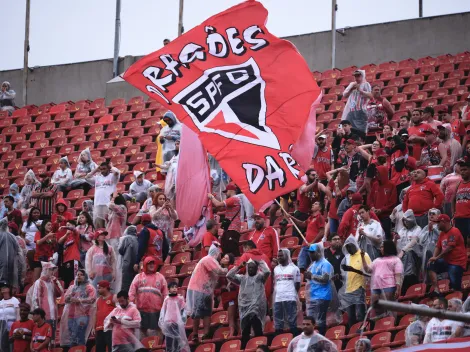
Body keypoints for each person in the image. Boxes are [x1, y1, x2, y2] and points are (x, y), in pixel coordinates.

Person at [186, 244, 227, 342]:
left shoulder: (212, 261)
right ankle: (195, 334)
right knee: (197, 312)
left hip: (206, 291)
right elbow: (218, 271)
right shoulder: (208, 260)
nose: (220, 256)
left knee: (207, 313)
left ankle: (206, 334)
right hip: (199, 289)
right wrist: (227, 268)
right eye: (220, 253)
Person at [227, 259, 270, 348]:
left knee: (258, 330)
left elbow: (267, 272)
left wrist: (260, 263)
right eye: (249, 267)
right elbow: (229, 275)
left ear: (256, 268)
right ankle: (245, 348)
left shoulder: (260, 277)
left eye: (253, 268)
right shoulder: (242, 278)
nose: (250, 269)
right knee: (245, 332)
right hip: (244, 309)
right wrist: (239, 267)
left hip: (256, 309)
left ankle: (260, 348)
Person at [361, 240, 403, 317]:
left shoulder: (396, 259)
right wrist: (362, 257)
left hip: (389, 287)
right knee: (376, 309)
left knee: (388, 308)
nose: (380, 248)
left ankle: (391, 324)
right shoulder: (377, 260)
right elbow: (368, 270)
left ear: (388, 247)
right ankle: (379, 326)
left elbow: (398, 275)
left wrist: (398, 288)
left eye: (382, 247)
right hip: (375, 287)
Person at [129, 257, 168, 338]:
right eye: (149, 263)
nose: (151, 265)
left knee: (158, 328)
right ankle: (145, 347)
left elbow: (165, 293)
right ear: (145, 264)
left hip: (156, 309)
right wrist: (132, 305)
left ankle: (158, 346)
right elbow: (131, 292)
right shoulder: (138, 277)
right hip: (142, 309)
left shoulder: (160, 277)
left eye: (153, 263)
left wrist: (166, 306)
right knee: (143, 329)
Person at [428, 214, 467, 292]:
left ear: (443, 222)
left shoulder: (454, 231)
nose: (437, 224)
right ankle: (435, 289)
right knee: (431, 265)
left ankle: (457, 296)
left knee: (454, 286)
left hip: (457, 263)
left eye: (438, 222)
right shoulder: (442, 234)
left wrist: (437, 257)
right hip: (447, 261)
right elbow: (438, 247)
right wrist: (433, 258)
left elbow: (449, 248)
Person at [339, 236, 370, 329]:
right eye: (347, 247)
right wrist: (339, 276)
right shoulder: (346, 258)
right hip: (348, 289)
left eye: (350, 246)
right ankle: (352, 335)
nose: (348, 249)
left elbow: (368, 272)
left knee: (360, 314)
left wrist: (353, 270)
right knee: (350, 316)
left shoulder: (363, 255)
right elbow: (344, 274)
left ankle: (362, 332)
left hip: (359, 287)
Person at [60, 269, 96, 347]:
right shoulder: (72, 287)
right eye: (77, 274)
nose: (79, 276)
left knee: (80, 337)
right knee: (72, 337)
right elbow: (65, 299)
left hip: (82, 315)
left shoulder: (89, 288)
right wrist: (69, 297)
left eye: (81, 274)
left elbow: (92, 299)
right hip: (71, 315)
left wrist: (78, 300)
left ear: (85, 276)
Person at [26, 262, 63, 337]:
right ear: (45, 270)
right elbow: (35, 299)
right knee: (45, 336)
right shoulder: (39, 282)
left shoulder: (53, 282)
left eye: (53, 270)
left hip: (53, 314)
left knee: (52, 337)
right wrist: (38, 315)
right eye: (50, 270)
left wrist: (56, 282)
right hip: (44, 315)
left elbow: (60, 293)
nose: (52, 272)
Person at [304, 243, 334, 335]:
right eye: (310, 252)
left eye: (312, 252)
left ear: (318, 252)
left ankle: (321, 336)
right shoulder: (313, 264)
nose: (310, 254)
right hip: (313, 295)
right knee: (310, 319)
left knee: (321, 320)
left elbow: (325, 279)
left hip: (322, 296)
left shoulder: (325, 264)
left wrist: (311, 276)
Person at [288, 202, 325, 271]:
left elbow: (322, 232)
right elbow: (302, 224)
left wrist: (312, 242)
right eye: (313, 203)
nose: (313, 204)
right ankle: (301, 279)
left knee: (315, 266)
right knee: (300, 265)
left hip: (315, 246)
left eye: (316, 204)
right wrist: (292, 218)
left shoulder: (320, 217)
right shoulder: (310, 217)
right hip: (306, 244)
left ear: (320, 208)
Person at [208, 184, 242, 256]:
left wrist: (211, 197)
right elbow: (219, 208)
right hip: (228, 228)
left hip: (233, 229)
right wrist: (214, 199)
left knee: (232, 251)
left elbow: (218, 204)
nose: (225, 194)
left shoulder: (234, 199)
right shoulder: (233, 200)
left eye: (226, 192)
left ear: (231, 190)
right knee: (226, 250)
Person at [273, 249, 300, 335]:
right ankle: (279, 339)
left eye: (281, 255)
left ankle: (294, 339)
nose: (279, 257)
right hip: (278, 299)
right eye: (278, 256)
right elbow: (275, 284)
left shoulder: (294, 268)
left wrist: (291, 293)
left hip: (290, 297)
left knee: (292, 321)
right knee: (278, 322)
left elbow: (297, 284)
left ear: (287, 256)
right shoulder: (276, 269)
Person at [86, 161, 120, 229]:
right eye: (101, 169)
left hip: (108, 204)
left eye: (104, 169)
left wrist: (111, 167)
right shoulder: (97, 177)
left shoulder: (112, 177)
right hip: (98, 204)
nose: (102, 171)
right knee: (98, 227)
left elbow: (117, 172)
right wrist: (96, 169)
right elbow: (87, 177)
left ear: (108, 169)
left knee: (108, 226)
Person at [158, 281, 190, 352]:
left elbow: (183, 310)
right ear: (168, 289)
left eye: (176, 287)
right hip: (168, 323)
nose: (174, 289)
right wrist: (162, 321)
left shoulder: (180, 299)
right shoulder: (167, 299)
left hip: (176, 323)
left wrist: (182, 319)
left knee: (176, 341)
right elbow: (163, 310)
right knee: (168, 341)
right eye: (172, 287)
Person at [396, 210, 421, 295]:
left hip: (415, 256)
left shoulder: (417, 229)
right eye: (404, 221)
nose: (406, 223)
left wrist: (403, 250)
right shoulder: (401, 231)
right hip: (401, 257)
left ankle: (407, 279)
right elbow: (397, 246)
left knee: (408, 253)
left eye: (407, 221)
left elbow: (414, 242)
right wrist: (395, 240)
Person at [368, 165, 397, 238]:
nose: (376, 175)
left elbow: (392, 202)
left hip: (386, 217)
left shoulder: (391, 185)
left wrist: (381, 210)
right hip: (375, 216)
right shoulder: (375, 184)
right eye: (376, 173)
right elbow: (370, 199)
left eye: (378, 173)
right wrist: (372, 207)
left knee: (386, 237)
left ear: (383, 173)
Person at [341, 70, 371, 139]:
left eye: (358, 76)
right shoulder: (352, 84)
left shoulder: (366, 84)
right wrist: (351, 89)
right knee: (349, 128)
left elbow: (370, 95)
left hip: (361, 111)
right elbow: (344, 95)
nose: (356, 78)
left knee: (361, 130)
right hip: (351, 110)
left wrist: (360, 91)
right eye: (355, 76)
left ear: (362, 76)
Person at [418, 208, 441, 285]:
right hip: (425, 254)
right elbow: (421, 241)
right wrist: (429, 231)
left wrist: (433, 230)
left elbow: (441, 238)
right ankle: (426, 284)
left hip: (437, 253)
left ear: (438, 216)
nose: (431, 216)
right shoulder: (425, 227)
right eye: (430, 214)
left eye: (433, 214)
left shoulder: (440, 226)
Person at [0, 218, 23, 291]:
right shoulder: (12, 236)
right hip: (11, 264)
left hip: (3, 263)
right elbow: (18, 251)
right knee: (8, 283)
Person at [58, 220, 81, 287]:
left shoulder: (76, 234)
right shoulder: (66, 236)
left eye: (69, 225)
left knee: (74, 280)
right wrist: (66, 234)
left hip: (74, 259)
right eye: (66, 225)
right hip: (65, 260)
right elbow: (59, 242)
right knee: (67, 281)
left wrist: (65, 227)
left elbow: (73, 229)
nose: (67, 226)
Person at [94, 280, 115, 352]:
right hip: (99, 328)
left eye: (99, 288)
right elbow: (95, 314)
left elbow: (119, 311)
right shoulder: (98, 300)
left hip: (110, 328)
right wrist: (94, 327)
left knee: (111, 349)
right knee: (99, 349)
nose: (98, 289)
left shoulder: (114, 297)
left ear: (105, 288)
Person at [453, 158, 470, 244]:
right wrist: (453, 214)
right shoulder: (459, 183)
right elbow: (453, 199)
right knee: (461, 241)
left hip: (468, 217)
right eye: (461, 170)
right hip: (459, 217)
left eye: (465, 170)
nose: (462, 172)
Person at [0, 282, 20, 351]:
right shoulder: (1, 302)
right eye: (2, 287)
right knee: (2, 345)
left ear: (9, 289)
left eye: (5, 287)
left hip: (11, 325)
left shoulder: (14, 300)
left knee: (11, 345)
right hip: (1, 326)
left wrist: (17, 326)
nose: (3, 288)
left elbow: (18, 315)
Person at [118, 225, 139, 292]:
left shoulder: (126, 238)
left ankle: (125, 297)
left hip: (127, 263)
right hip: (136, 263)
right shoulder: (138, 239)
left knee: (126, 282)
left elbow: (121, 250)